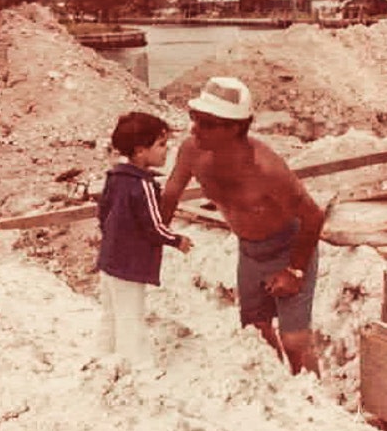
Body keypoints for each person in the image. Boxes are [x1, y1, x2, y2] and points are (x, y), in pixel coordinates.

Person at [159, 77, 324, 377]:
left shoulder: (267, 169)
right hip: (249, 251)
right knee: (256, 334)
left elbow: (313, 216)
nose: (195, 128)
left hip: (289, 248)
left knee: (295, 340)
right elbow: (170, 195)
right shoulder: (191, 151)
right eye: (194, 118)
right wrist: (152, 239)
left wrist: (294, 271)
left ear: (234, 127)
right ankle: (281, 395)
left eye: (206, 123)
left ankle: (314, 404)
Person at [96, 111, 193, 370]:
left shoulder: (115, 177)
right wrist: (176, 240)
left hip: (109, 260)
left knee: (111, 313)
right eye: (161, 145)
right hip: (130, 264)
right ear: (141, 151)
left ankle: (104, 357)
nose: (166, 151)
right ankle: (139, 366)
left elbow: (103, 214)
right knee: (131, 316)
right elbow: (154, 225)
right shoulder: (144, 185)